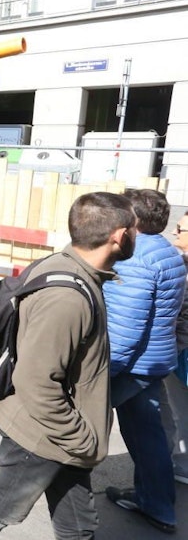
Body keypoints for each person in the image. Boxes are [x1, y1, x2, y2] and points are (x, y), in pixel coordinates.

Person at [0, 192, 137, 540]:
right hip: (42, 438)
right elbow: (37, 382)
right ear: (119, 235)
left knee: (78, 526)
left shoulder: (67, 265)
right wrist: (82, 438)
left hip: (61, 435)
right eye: (134, 230)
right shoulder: (67, 298)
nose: (136, 236)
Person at [103, 189, 185, 534]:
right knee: (147, 431)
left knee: (123, 429)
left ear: (133, 220)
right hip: (154, 359)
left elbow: (125, 328)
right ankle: (158, 500)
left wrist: (106, 373)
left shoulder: (136, 259)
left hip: (131, 364)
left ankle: (155, 504)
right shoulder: (170, 253)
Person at [168, 211, 188, 485]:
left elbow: (181, 317)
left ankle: (182, 465)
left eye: (180, 230)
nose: (175, 233)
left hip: (182, 353)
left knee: (180, 411)